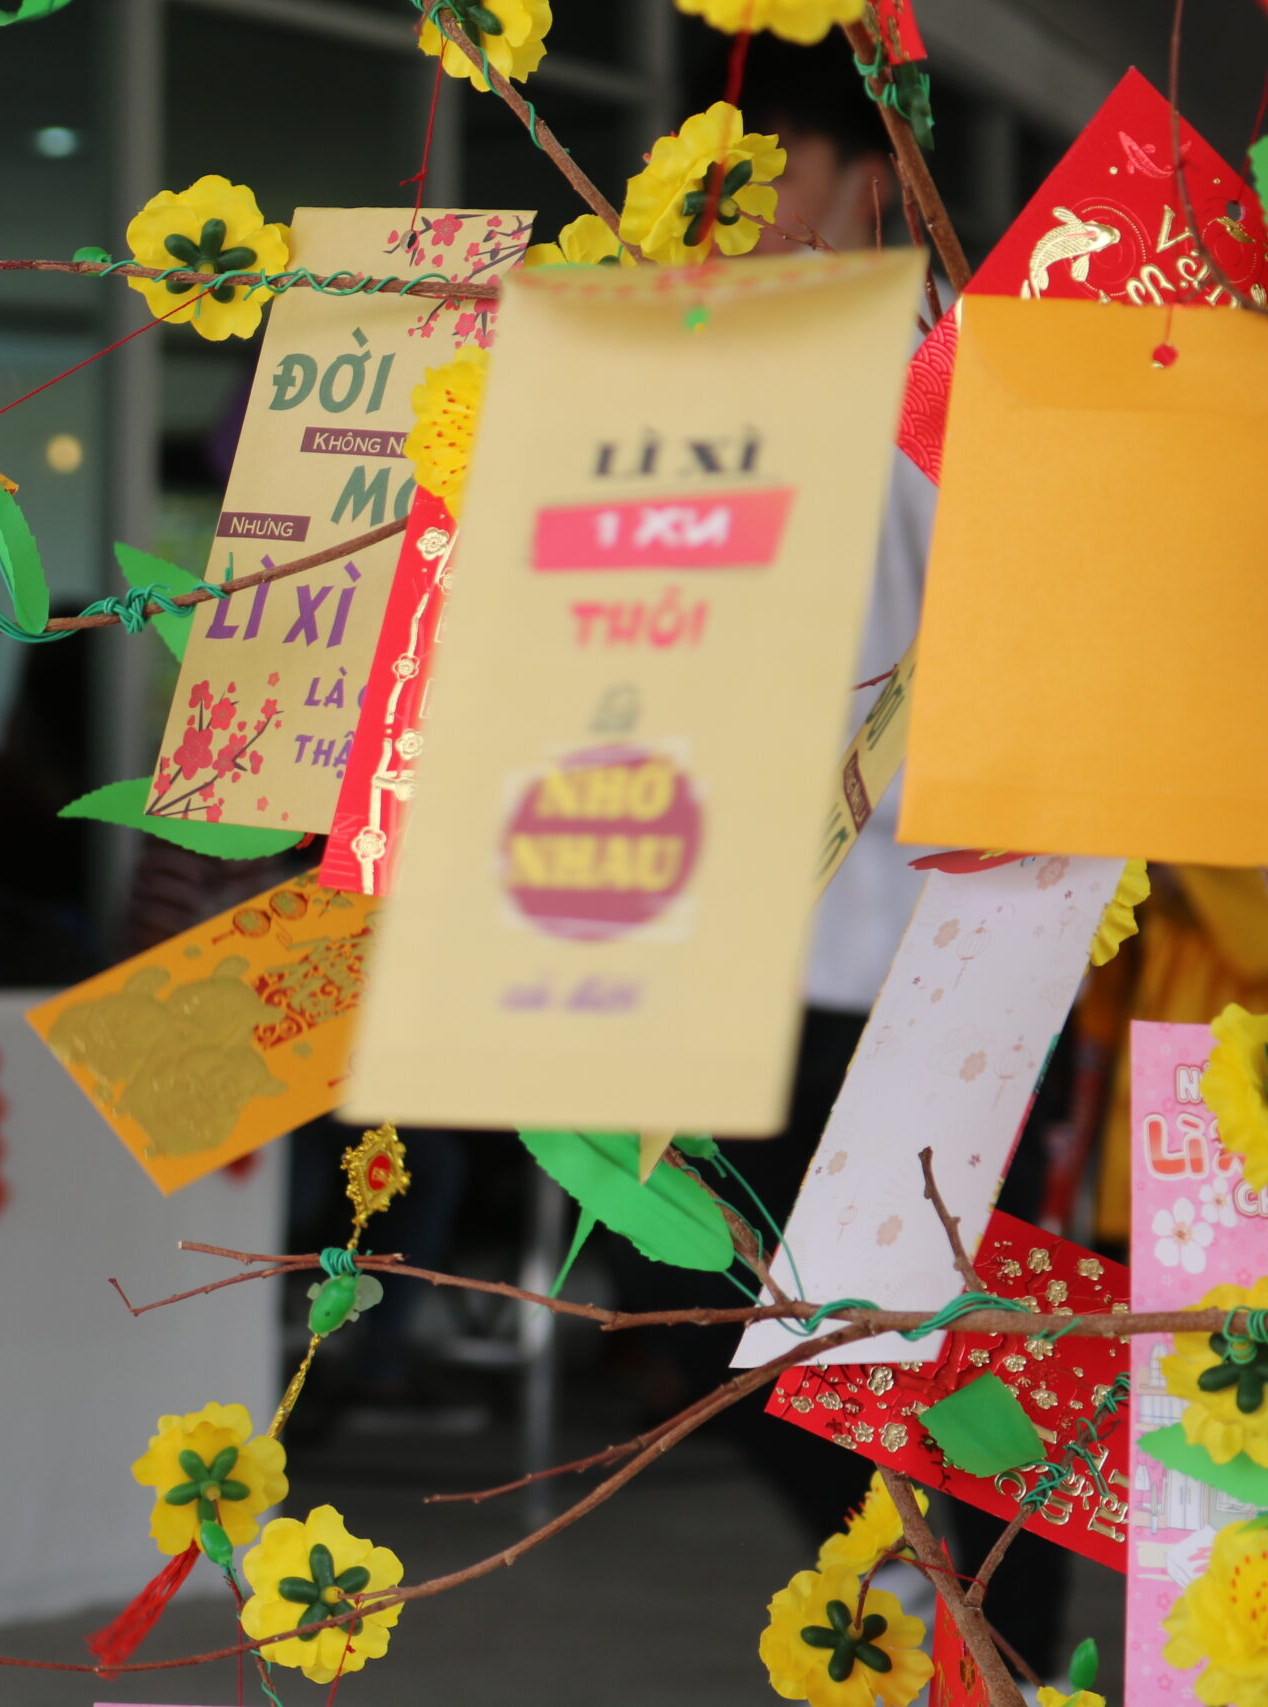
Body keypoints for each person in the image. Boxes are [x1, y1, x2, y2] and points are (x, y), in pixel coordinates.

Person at [597, 27, 1076, 1675]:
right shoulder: (727, 375)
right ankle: (933, 1596)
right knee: (756, 1338)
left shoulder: (973, 377)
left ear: (874, 177)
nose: (738, 218)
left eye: (768, 178)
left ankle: (986, 1637)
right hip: (773, 958)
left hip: (932, 966)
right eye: (712, 190)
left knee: (937, 1357)